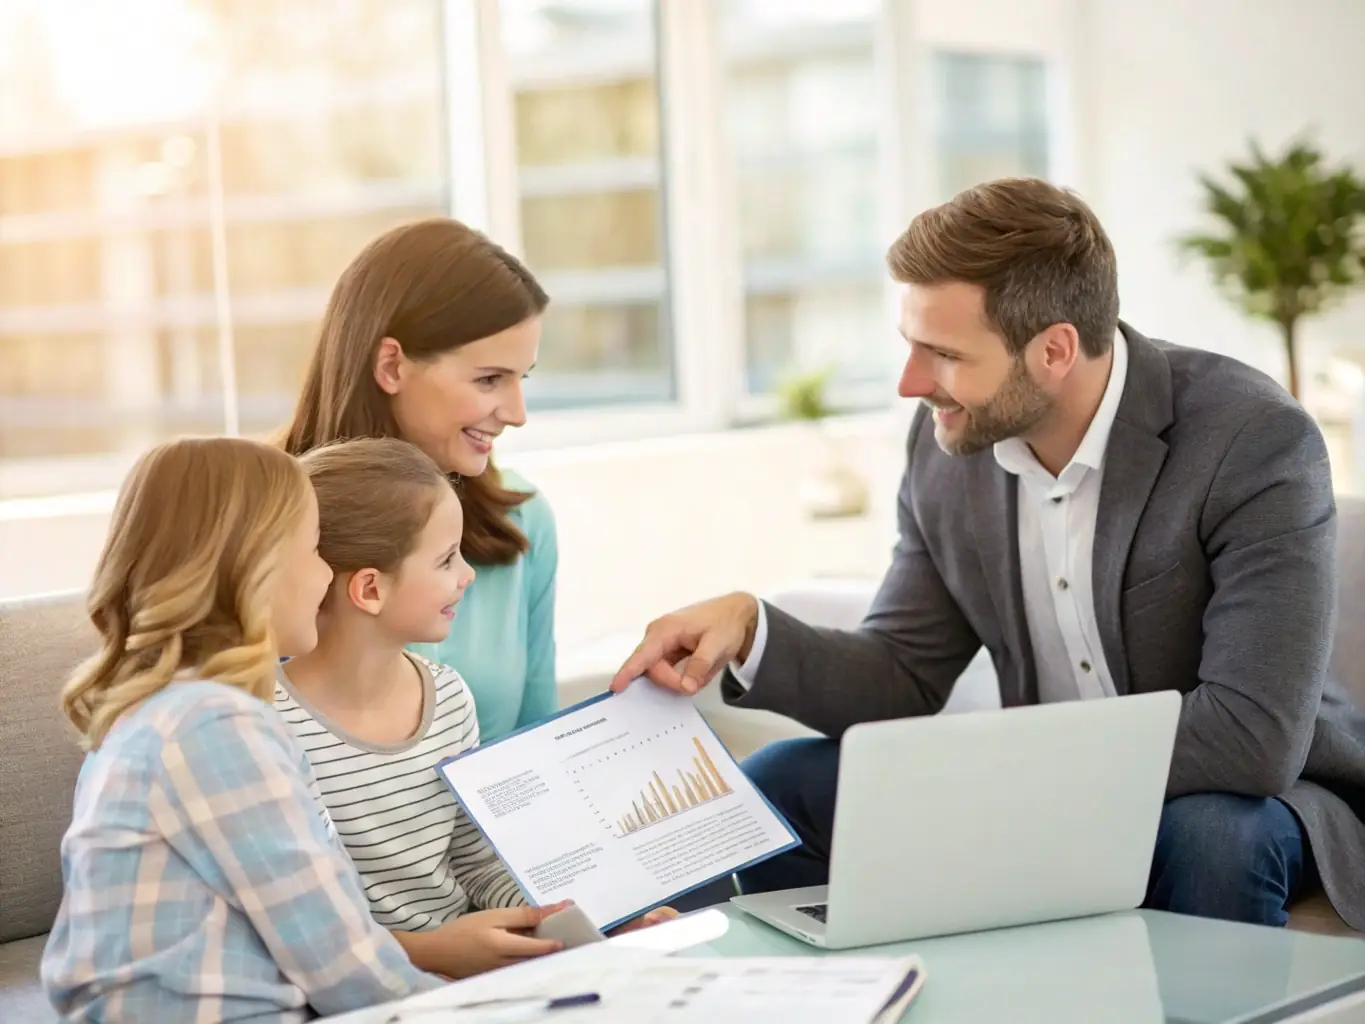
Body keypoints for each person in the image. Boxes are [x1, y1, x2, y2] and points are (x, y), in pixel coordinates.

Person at [612, 177, 1365, 932]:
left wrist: (1005, 766)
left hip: (1231, 794)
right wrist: (751, 628)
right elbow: (903, 673)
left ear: (1054, 350)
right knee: (780, 783)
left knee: (1213, 834)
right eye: (909, 345)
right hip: (1032, 784)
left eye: (941, 354)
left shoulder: (1250, 437)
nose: (910, 383)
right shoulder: (948, 447)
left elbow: (1249, 738)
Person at [39, 437, 457, 1022]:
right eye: (314, 550)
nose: (324, 577)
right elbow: (345, 966)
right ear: (256, 565)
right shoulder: (213, 728)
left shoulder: (158, 714)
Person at [277, 436, 674, 980]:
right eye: (446, 559)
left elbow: (478, 862)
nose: (468, 575)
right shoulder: (266, 724)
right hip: (368, 987)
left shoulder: (449, 697)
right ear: (369, 589)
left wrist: (585, 921)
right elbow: (302, 927)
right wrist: (435, 952)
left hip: (474, 975)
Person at [282, 218, 557, 742]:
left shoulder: (523, 521)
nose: (517, 413)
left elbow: (536, 742)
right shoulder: (254, 520)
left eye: (522, 379)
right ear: (391, 366)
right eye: (489, 379)